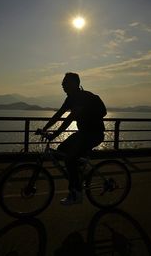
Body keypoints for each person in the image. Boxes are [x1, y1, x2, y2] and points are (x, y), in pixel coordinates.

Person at [37, 72, 107, 205]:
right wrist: (45, 129)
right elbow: (58, 115)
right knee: (61, 150)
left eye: (65, 82)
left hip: (94, 134)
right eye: (62, 82)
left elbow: (69, 119)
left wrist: (54, 135)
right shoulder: (70, 99)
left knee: (69, 159)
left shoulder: (81, 97)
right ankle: (81, 172)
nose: (62, 85)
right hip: (83, 133)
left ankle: (76, 194)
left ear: (75, 84)